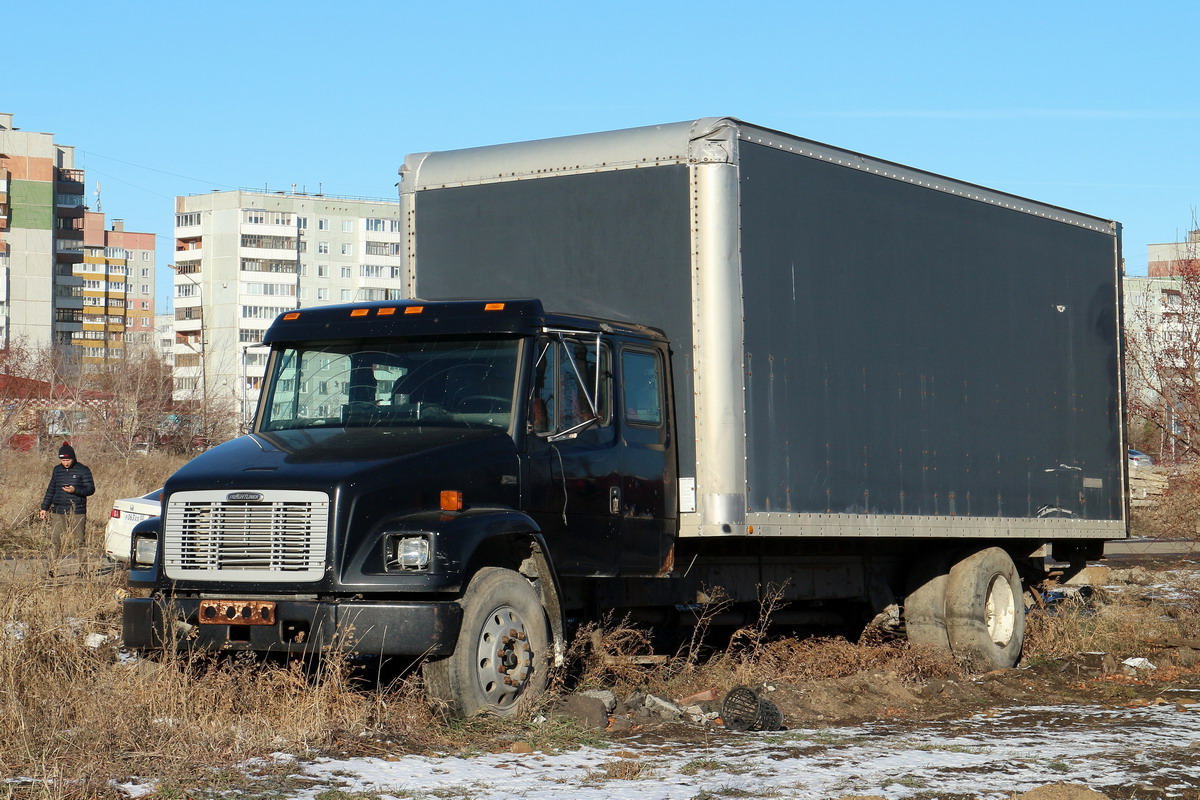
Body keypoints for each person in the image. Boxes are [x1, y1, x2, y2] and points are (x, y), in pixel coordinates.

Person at [38, 442, 95, 559]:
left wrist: (75, 490)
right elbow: (51, 490)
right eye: (63, 460)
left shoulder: (83, 470)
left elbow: (90, 489)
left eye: (68, 460)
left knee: (79, 541)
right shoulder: (57, 470)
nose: (65, 463)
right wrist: (44, 508)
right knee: (54, 541)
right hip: (58, 511)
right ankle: (51, 568)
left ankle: (83, 569)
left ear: (73, 458)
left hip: (77, 511)